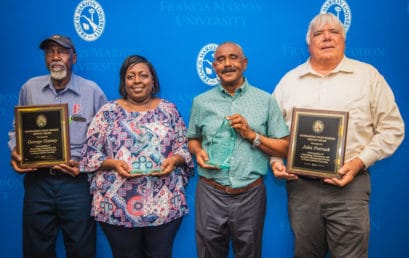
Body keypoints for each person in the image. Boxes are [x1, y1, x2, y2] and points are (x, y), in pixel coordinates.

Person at [271, 13, 405, 258]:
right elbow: (274, 133)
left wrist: (359, 162)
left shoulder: (368, 77)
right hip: (301, 189)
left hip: (350, 186)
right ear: (309, 42)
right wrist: (275, 161)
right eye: (318, 33)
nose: (326, 37)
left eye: (333, 32)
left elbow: (392, 128)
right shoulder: (289, 82)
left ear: (344, 40)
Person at [79, 54, 194, 258]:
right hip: (117, 207)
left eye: (143, 75)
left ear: (153, 81)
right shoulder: (108, 112)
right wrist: (114, 163)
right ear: (124, 81)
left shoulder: (169, 110)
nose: (137, 81)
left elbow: (183, 148)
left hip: (163, 206)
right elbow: (89, 155)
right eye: (131, 76)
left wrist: (173, 160)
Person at [8, 35, 108, 258]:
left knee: (82, 249)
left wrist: (84, 165)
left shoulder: (92, 91)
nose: (55, 57)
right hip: (38, 181)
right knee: (36, 249)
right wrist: (16, 151)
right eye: (49, 52)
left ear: (73, 57)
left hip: (77, 183)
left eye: (61, 52)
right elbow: (17, 128)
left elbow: (105, 139)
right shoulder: (29, 88)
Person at [187, 42, 289, 258]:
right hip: (210, 192)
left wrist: (252, 135)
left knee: (250, 253)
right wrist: (197, 152)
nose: (227, 64)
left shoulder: (266, 101)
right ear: (214, 66)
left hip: (250, 193)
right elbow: (193, 139)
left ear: (244, 63)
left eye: (233, 58)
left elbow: (285, 146)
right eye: (221, 60)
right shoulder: (201, 102)